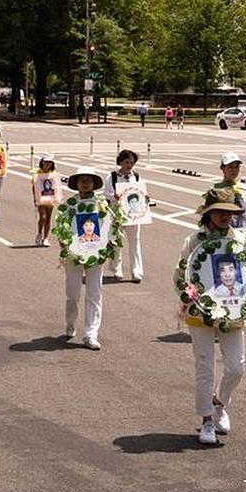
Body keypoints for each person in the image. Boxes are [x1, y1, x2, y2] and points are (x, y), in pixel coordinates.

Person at [174, 188, 246, 445]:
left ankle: (219, 403)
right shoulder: (194, 241)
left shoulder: (240, 240)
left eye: (229, 212)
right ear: (208, 213)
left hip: (232, 312)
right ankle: (206, 420)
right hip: (201, 314)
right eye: (219, 211)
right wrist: (190, 296)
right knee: (204, 367)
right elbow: (180, 275)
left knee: (237, 367)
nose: (225, 216)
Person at [59, 166, 109, 350]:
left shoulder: (102, 204)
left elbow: (111, 225)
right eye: (82, 180)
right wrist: (64, 241)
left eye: (89, 180)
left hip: (96, 254)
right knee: (73, 294)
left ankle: (91, 334)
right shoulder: (70, 205)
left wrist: (109, 243)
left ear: (94, 183)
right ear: (77, 183)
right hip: (74, 254)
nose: (86, 183)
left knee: (94, 294)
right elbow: (62, 226)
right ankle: (70, 323)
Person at [104, 149, 144, 283]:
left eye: (132, 163)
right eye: (127, 162)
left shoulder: (136, 176)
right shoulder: (112, 177)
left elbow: (141, 192)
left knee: (135, 241)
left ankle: (136, 271)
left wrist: (145, 197)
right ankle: (117, 268)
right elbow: (106, 194)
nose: (129, 165)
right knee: (116, 241)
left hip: (133, 214)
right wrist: (113, 196)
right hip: (116, 213)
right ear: (120, 162)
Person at [33, 154, 59, 246]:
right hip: (41, 198)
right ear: (42, 163)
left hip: (50, 198)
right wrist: (35, 199)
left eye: (49, 162)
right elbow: (34, 187)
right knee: (43, 217)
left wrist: (57, 197)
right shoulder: (38, 173)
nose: (47, 164)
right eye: (46, 162)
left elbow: (57, 186)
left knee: (48, 218)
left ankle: (46, 238)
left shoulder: (53, 174)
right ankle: (39, 233)